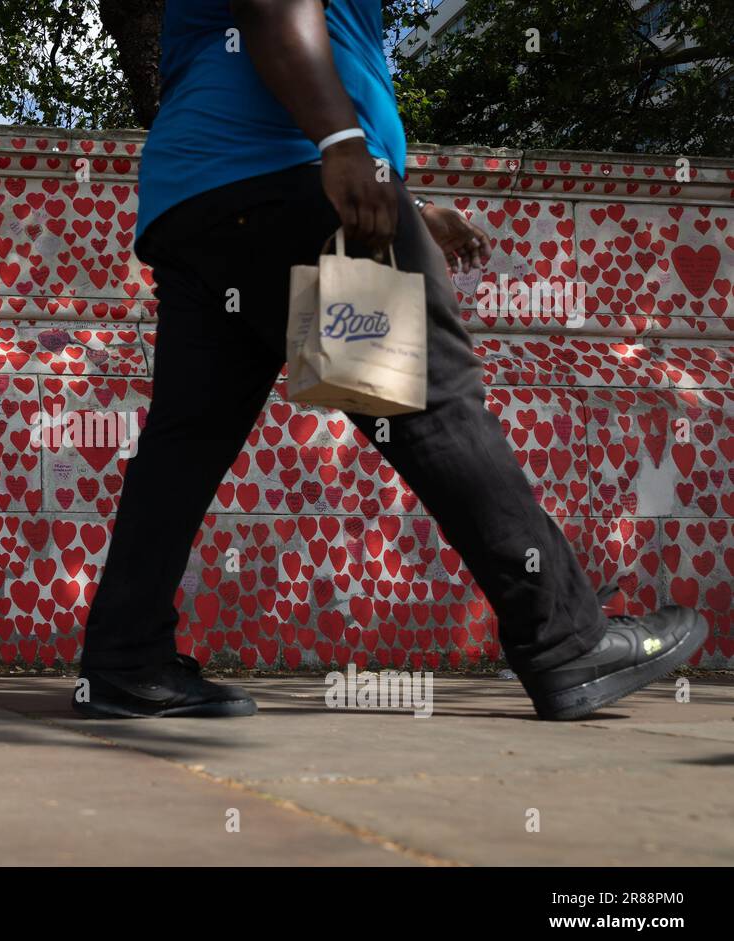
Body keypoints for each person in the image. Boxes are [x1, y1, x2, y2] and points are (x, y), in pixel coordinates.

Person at [72, 0, 706, 720]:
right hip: (297, 184)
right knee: (430, 406)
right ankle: (565, 639)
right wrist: (342, 144)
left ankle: (125, 661)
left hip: (200, 203)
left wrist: (402, 189)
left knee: (185, 441)